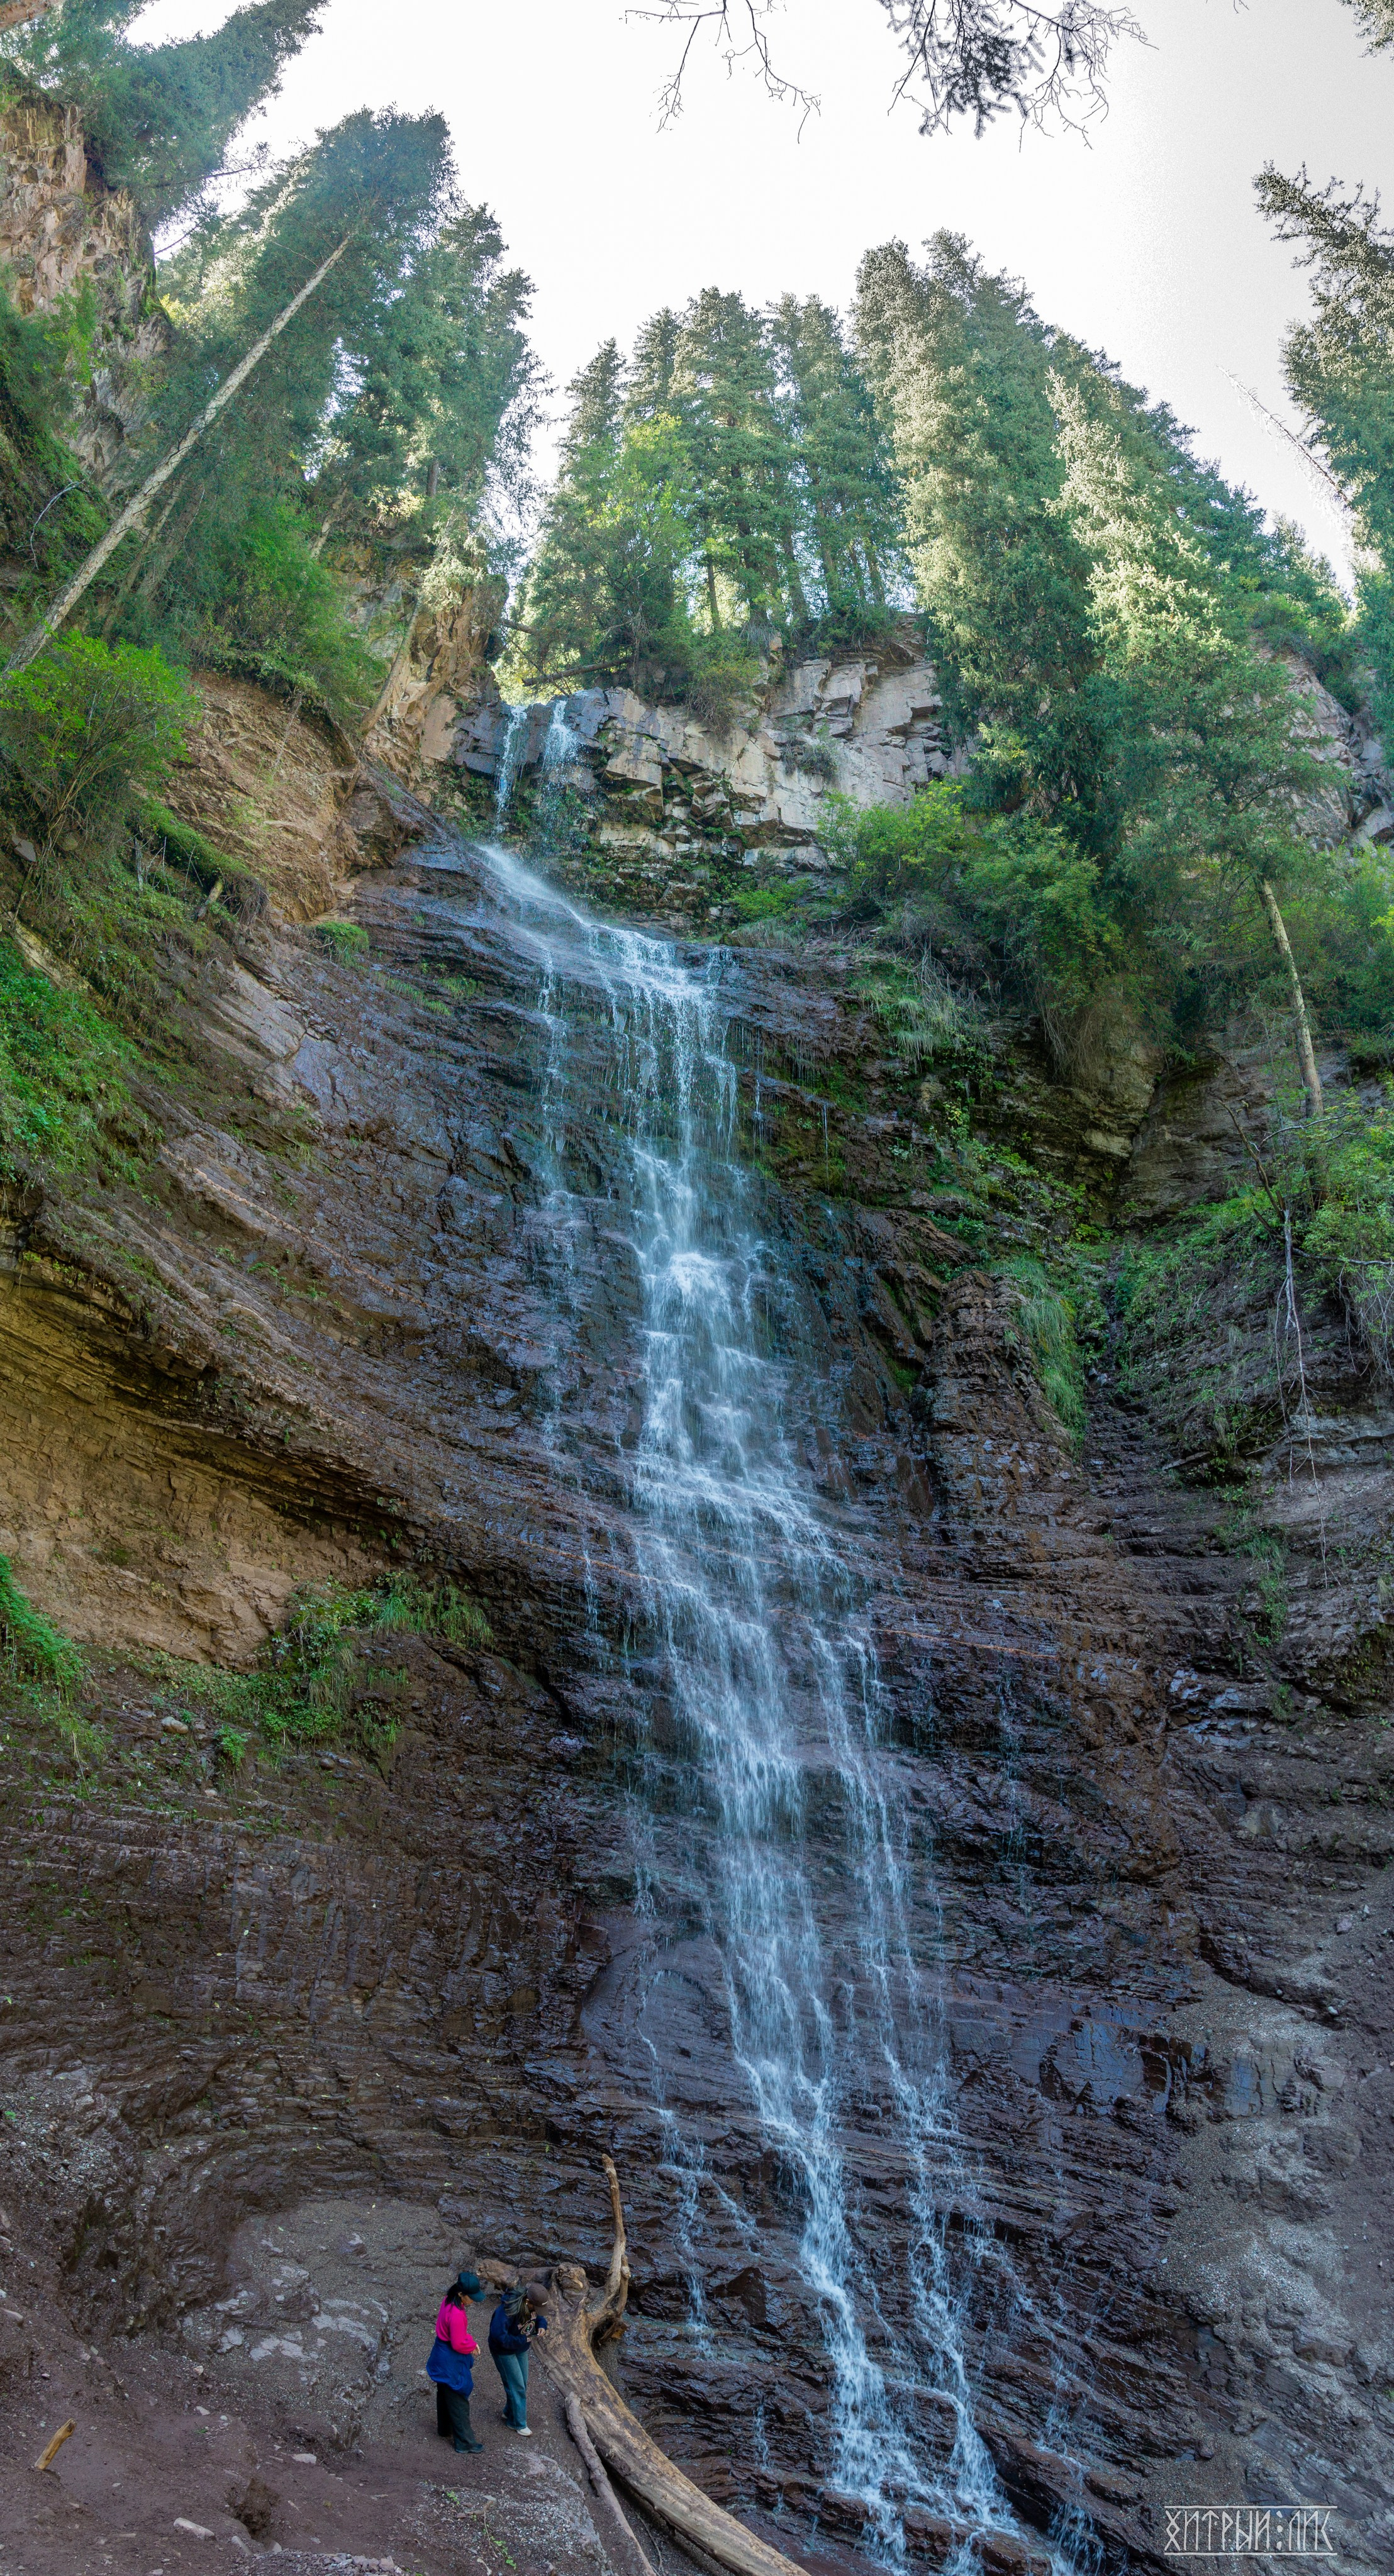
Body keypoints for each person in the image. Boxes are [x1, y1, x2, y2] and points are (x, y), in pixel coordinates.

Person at [427, 2268, 484, 2451]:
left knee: (444, 2392)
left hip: (440, 2354)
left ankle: (445, 2429)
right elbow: (459, 2344)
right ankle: (465, 2443)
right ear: (461, 2294)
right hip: (451, 2359)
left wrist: (468, 2340)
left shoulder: (447, 2301)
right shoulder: (458, 2315)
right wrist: (472, 2345)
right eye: (471, 2297)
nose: (473, 2301)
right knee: (458, 2397)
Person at [488, 2279, 548, 2435]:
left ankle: (509, 2411)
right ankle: (517, 2423)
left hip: (521, 2348)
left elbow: (539, 2317)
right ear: (528, 2301)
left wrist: (542, 2325)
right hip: (504, 2351)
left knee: (522, 2383)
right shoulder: (506, 2311)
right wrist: (522, 2339)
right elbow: (498, 2337)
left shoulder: (532, 2306)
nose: (539, 2311)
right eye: (536, 2307)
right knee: (517, 2386)